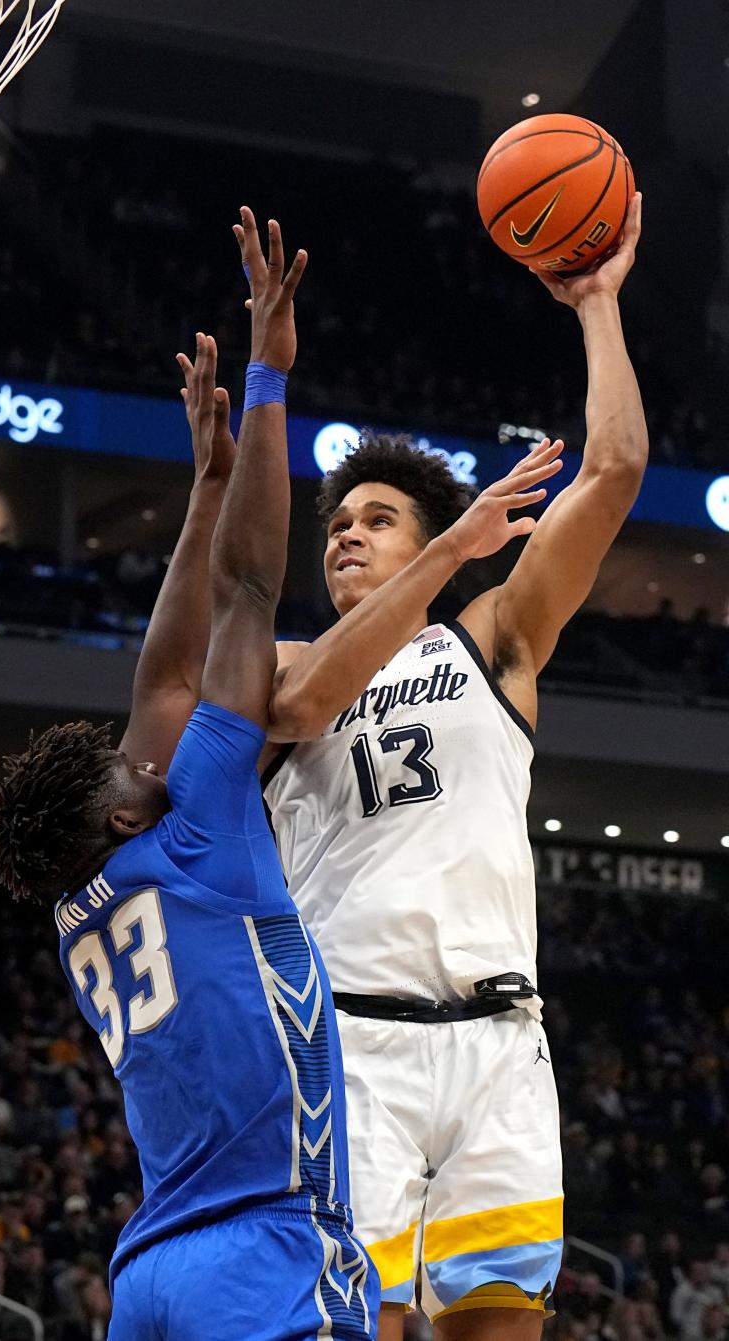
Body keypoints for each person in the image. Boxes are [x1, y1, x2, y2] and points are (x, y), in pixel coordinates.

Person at [0, 209, 382, 1340]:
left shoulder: (80, 900)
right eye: (127, 766)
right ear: (121, 807)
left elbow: (159, 687)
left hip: (151, 1271)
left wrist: (203, 489)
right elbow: (253, 592)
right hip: (268, 1248)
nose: (143, 750)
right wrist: (267, 382)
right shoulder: (196, 828)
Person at [262, 194, 648, 1340]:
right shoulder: (288, 663)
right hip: (352, 1041)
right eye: (337, 523)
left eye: (376, 519)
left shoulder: (493, 639)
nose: (344, 533)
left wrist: (599, 306)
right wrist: (439, 554)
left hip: (500, 1043)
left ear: (438, 533)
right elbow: (291, 704)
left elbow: (616, 469)